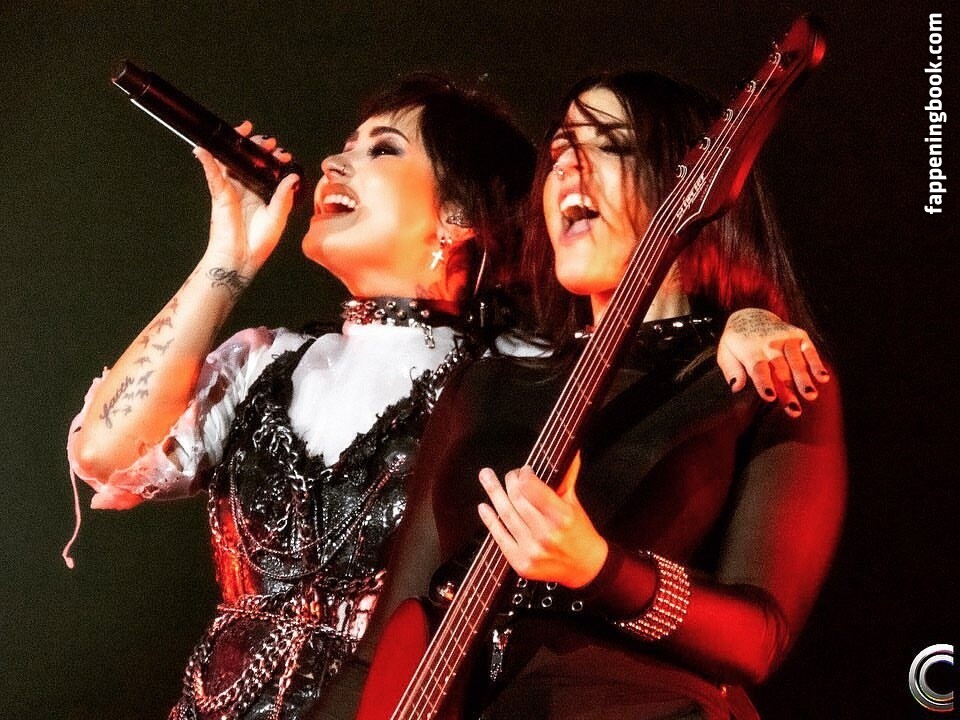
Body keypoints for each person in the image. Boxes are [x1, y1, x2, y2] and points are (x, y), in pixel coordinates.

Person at [66, 74, 827, 720]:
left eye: (383, 149)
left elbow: (638, 340)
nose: (333, 161)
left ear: (462, 216)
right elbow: (104, 452)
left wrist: (743, 318)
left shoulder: (511, 367)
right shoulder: (281, 363)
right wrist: (226, 259)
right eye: (559, 151)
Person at [335, 71, 845, 720]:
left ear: (690, 182)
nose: (568, 167)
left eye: (610, 144)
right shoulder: (485, 384)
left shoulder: (762, 372)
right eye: (558, 152)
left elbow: (759, 638)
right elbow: (377, 659)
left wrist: (600, 569)